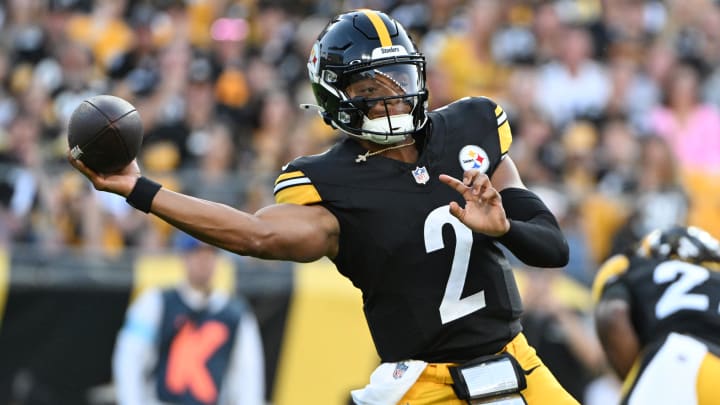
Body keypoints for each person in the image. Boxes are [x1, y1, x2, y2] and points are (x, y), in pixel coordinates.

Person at [72, 10, 575, 405]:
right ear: (336, 98)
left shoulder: (470, 129)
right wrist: (141, 188)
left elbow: (552, 248)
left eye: (398, 79)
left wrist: (505, 226)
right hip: (422, 385)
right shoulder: (332, 181)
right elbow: (255, 234)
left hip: (516, 360)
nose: (393, 99)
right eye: (370, 89)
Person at [112, 232, 265, 405]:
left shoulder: (236, 313)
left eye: (210, 253)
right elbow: (130, 358)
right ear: (184, 256)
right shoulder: (155, 303)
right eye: (197, 252)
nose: (203, 260)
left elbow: (248, 374)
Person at [592, 225, 720, 404]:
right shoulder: (714, 277)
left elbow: (613, 315)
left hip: (677, 361)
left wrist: (636, 376)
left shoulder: (629, 266)